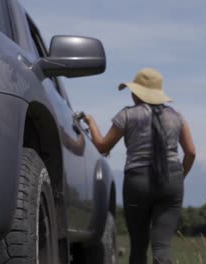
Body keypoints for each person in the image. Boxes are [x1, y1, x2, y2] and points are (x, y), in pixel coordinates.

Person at [84, 68, 196, 264]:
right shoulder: (177, 117)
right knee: (162, 248)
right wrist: (179, 176)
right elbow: (191, 152)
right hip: (171, 181)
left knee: (138, 246)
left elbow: (102, 146)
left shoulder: (127, 115)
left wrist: (91, 122)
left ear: (136, 93)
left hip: (137, 182)